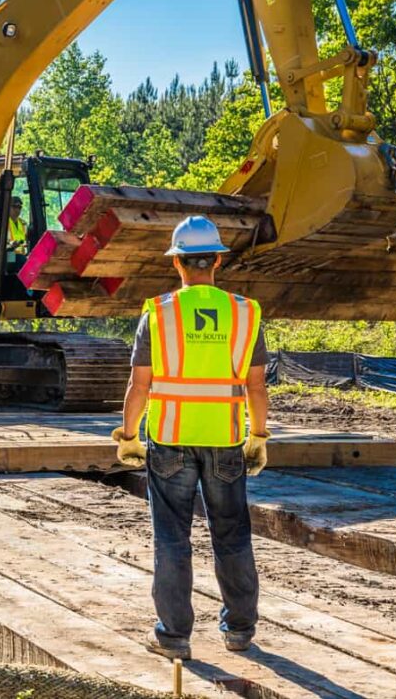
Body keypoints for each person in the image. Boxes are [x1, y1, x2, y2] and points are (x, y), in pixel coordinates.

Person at [113, 215, 270, 661]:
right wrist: (258, 436)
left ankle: (174, 636)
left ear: (177, 263)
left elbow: (138, 386)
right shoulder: (245, 313)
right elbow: (256, 387)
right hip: (225, 439)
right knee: (233, 537)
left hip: (169, 441)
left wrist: (128, 435)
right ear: (217, 260)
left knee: (171, 539)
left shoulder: (158, 314)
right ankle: (239, 631)